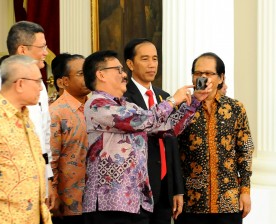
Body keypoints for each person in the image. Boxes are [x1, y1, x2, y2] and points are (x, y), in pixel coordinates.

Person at [81, 50, 212, 224]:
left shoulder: (127, 105)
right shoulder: (97, 104)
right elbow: (143, 120)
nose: (124, 74)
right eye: (118, 70)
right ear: (101, 74)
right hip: (109, 202)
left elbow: (167, 128)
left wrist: (195, 101)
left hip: (135, 201)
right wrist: (173, 100)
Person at [0, 21, 54, 209]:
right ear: (22, 49)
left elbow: (43, 134)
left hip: (34, 189)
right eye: (42, 47)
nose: (46, 52)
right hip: (3, 197)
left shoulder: (39, 84)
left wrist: (47, 178)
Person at [175, 52, 254, 224]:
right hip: (191, 202)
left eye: (209, 73)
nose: (203, 77)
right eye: (198, 74)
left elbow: (245, 150)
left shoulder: (236, 108)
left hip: (229, 202)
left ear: (221, 78)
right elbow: (172, 148)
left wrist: (245, 191)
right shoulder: (183, 108)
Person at [123, 38, 184, 224]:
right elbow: (146, 124)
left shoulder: (162, 96)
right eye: (145, 59)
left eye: (155, 59)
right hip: (138, 187)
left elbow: (172, 141)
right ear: (130, 63)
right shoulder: (124, 97)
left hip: (165, 185)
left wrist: (177, 188)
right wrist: (173, 102)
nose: (152, 65)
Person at [49, 53, 91, 223]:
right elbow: (51, 158)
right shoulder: (56, 113)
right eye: (81, 74)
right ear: (64, 81)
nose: (87, 77)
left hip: (96, 202)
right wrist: (53, 192)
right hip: (68, 203)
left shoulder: (95, 107)